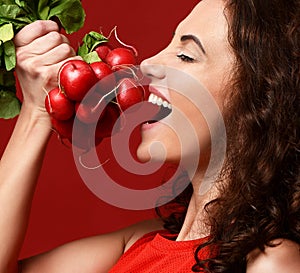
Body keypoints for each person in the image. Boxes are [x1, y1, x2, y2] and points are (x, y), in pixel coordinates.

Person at [0, 0, 299, 272]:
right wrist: (38, 111)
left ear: (262, 102)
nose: (147, 65)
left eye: (186, 56)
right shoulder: (140, 243)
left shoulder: (271, 262)